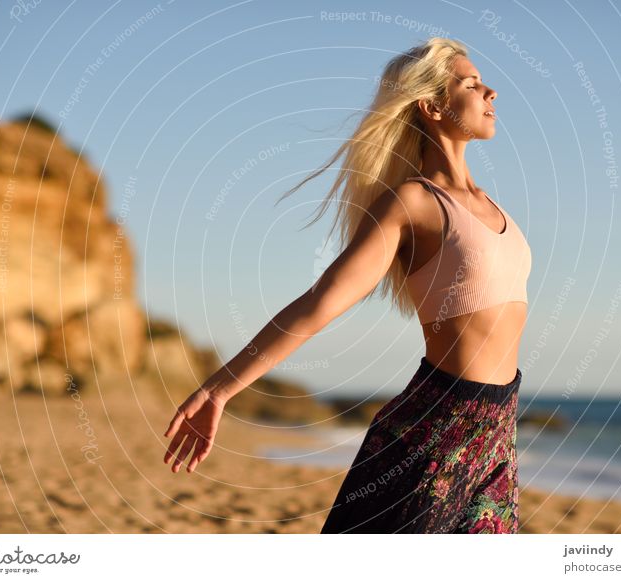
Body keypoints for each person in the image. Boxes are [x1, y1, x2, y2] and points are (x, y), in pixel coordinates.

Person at [162, 37, 532, 534]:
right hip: (435, 431)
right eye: (472, 84)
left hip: (498, 432)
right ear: (433, 106)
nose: (491, 93)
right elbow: (322, 301)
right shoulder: (413, 203)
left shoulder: (493, 206)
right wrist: (219, 389)